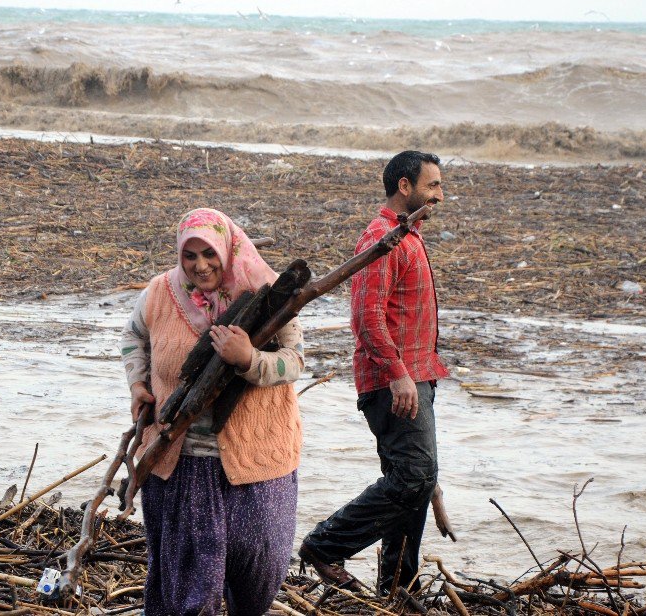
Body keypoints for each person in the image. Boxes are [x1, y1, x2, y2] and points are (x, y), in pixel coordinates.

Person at [120, 207, 305, 616]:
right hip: (181, 464)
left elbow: (295, 362)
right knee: (188, 591)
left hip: (259, 464)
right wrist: (138, 384)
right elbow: (133, 337)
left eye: (209, 254)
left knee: (258, 579)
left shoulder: (269, 294)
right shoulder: (160, 292)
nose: (200, 266)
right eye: (190, 255)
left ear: (227, 248)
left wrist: (248, 359)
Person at [298, 150, 449, 594]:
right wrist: (399, 373)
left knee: (414, 483)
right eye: (433, 185)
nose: (441, 194)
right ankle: (325, 547)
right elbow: (366, 317)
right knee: (414, 478)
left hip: (414, 377)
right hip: (393, 382)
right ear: (405, 186)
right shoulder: (381, 238)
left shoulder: (409, 236)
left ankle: (398, 588)